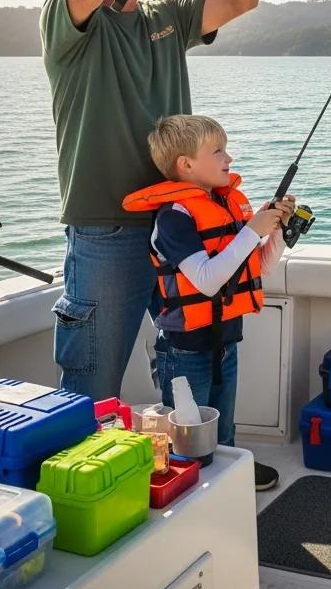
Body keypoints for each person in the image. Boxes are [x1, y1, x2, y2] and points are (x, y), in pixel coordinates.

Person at [40, 0, 282, 489]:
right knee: (91, 381)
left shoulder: (168, 14)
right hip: (106, 233)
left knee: (193, 360)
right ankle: (84, 489)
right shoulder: (68, 20)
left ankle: (211, 473)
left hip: (181, 221)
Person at [122, 115, 294, 450]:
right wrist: (252, 230)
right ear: (185, 164)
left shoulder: (225, 208)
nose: (228, 159)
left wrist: (278, 232)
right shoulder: (174, 217)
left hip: (225, 342)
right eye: (218, 151)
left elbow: (261, 266)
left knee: (223, 431)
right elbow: (206, 281)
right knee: (185, 438)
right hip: (185, 350)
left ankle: (226, 486)